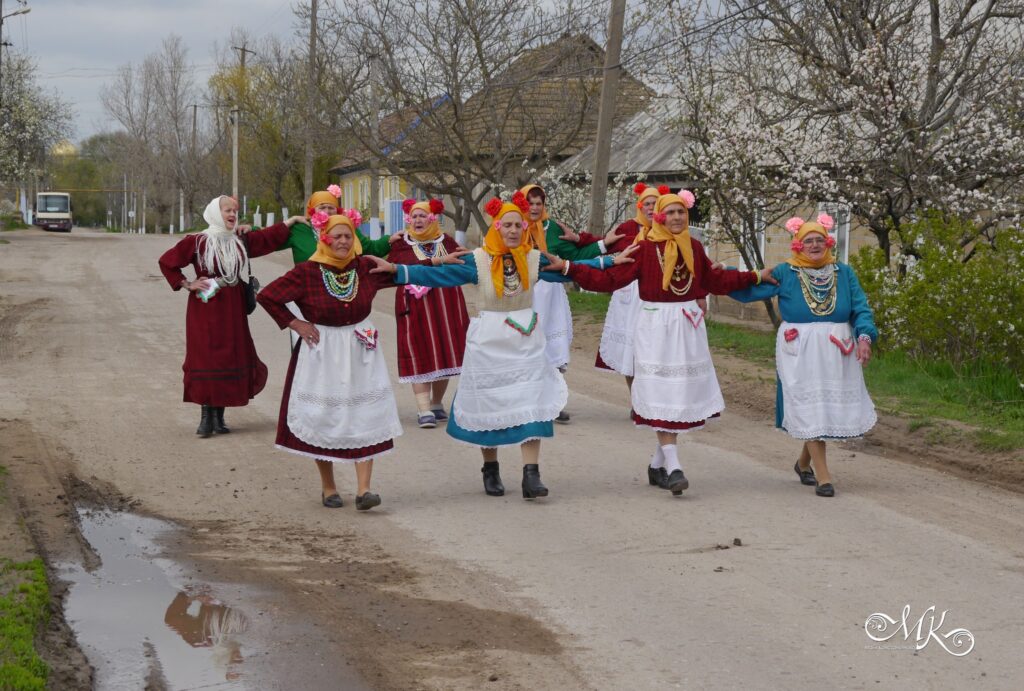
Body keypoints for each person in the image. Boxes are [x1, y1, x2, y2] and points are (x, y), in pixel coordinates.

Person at [366, 192, 629, 500]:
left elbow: (572, 267)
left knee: (532, 403)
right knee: (490, 403)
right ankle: (490, 468)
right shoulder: (477, 261)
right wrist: (399, 271)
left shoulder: (534, 258)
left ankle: (531, 474)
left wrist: (609, 261)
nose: (515, 231)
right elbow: (437, 275)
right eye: (508, 225)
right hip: (489, 340)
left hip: (526, 339)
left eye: (519, 225)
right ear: (497, 227)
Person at [554, 190, 775, 496]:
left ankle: (658, 463)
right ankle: (673, 467)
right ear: (659, 216)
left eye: (681, 212)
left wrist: (754, 277)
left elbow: (715, 282)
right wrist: (569, 268)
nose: (676, 218)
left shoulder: (694, 247)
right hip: (656, 327)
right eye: (669, 213)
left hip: (687, 330)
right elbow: (610, 280)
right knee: (661, 391)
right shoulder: (644, 248)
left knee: (679, 395)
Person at [256, 210, 404, 510]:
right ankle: (329, 487)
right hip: (322, 349)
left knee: (365, 413)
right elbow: (268, 296)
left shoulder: (364, 267)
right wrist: (295, 323)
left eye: (348, 236)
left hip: (360, 349)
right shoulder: (308, 272)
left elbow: (407, 270)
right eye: (336, 236)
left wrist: (442, 262)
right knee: (323, 415)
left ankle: (364, 490)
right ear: (325, 238)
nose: (343, 241)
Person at [728, 214, 877, 497]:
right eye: (807, 240)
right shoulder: (785, 272)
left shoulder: (844, 273)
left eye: (819, 240)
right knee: (810, 408)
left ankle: (803, 464)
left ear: (828, 242)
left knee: (824, 410)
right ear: (798, 245)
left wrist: (865, 338)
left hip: (837, 349)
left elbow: (860, 308)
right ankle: (824, 477)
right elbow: (749, 289)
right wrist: (720, 274)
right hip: (800, 350)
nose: (814, 245)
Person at [158, 196, 304, 437]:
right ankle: (206, 416)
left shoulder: (240, 241)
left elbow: (268, 238)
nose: (233, 214)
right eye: (228, 210)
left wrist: (292, 220)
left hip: (233, 309)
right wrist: (187, 283)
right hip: (205, 309)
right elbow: (167, 262)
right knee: (207, 357)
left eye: (235, 211)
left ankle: (219, 417)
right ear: (216, 212)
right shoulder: (197, 242)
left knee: (230, 356)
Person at [519, 183, 623, 423]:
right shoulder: (515, 225)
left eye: (539, 203)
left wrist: (604, 245)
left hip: (551, 294)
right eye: (530, 203)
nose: (534, 208)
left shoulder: (552, 229)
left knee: (552, 348)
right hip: (524, 295)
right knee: (526, 347)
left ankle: (552, 403)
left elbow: (575, 256)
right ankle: (527, 402)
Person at [388, 198, 471, 428]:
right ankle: (423, 410)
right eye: (414, 216)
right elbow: (395, 268)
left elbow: (464, 261)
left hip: (446, 304)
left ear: (432, 219)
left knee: (444, 351)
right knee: (419, 350)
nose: (417, 220)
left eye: (422, 216)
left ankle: (436, 404)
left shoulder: (447, 241)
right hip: (414, 306)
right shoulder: (400, 244)